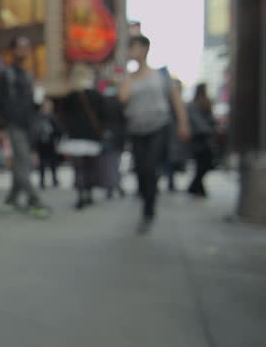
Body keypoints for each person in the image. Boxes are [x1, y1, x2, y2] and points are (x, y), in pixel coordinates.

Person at [119, 35, 190, 233]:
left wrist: (183, 124)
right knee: (141, 169)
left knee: (150, 167)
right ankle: (146, 197)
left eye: (133, 47)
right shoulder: (129, 77)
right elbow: (122, 98)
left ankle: (148, 210)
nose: (130, 51)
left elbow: (176, 100)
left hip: (158, 126)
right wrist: (127, 74)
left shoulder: (161, 75)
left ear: (144, 49)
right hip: (136, 129)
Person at [0, 36, 50, 218]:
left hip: (28, 126)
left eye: (27, 47)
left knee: (20, 163)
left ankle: (11, 198)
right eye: (20, 47)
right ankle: (35, 201)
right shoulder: (6, 74)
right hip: (14, 125)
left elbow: (31, 104)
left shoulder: (28, 76)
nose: (24, 51)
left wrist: (40, 104)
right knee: (24, 162)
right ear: (13, 51)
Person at [57, 64, 108, 210]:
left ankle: (81, 196)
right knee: (90, 167)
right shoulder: (96, 96)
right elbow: (104, 116)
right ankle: (89, 193)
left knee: (79, 169)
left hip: (74, 138)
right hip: (92, 137)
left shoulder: (69, 96)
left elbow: (62, 117)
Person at [187, 83, 217, 197]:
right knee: (202, 165)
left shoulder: (203, 103)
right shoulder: (195, 105)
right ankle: (196, 186)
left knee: (204, 165)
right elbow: (198, 123)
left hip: (203, 139)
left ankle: (196, 187)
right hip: (200, 139)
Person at [33, 99, 62, 190]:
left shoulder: (53, 116)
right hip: (41, 142)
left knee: (53, 161)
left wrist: (57, 140)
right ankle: (42, 180)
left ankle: (54, 179)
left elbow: (58, 129)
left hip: (51, 141)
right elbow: (34, 130)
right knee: (42, 161)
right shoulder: (38, 116)